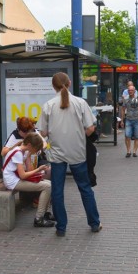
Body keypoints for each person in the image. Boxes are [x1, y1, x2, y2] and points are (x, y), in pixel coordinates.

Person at [38, 72, 101, 237]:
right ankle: (94, 223)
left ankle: (61, 227)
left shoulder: (48, 105)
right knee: (85, 188)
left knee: (58, 191)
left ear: (53, 86)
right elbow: (90, 128)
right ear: (70, 83)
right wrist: (79, 138)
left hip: (57, 154)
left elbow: (43, 132)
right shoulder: (80, 103)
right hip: (78, 153)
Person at [2, 133, 55, 227]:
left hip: (15, 179)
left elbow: (29, 171)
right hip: (12, 182)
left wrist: (29, 156)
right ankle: (39, 218)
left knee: (48, 183)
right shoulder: (18, 153)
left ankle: (44, 214)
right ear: (30, 145)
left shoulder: (22, 151)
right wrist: (39, 169)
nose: (37, 152)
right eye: (36, 149)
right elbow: (23, 175)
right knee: (47, 186)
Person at [119, 85, 138, 157]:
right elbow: (123, 110)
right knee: (127, 136)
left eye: (131, 90)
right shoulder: (126, 98)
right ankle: (128, 151)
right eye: (129, 90)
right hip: (128, 119)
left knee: (137, 137)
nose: (130, 92)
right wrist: (122, 120)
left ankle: (134, 151)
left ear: (134, 91)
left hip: (137, 120)